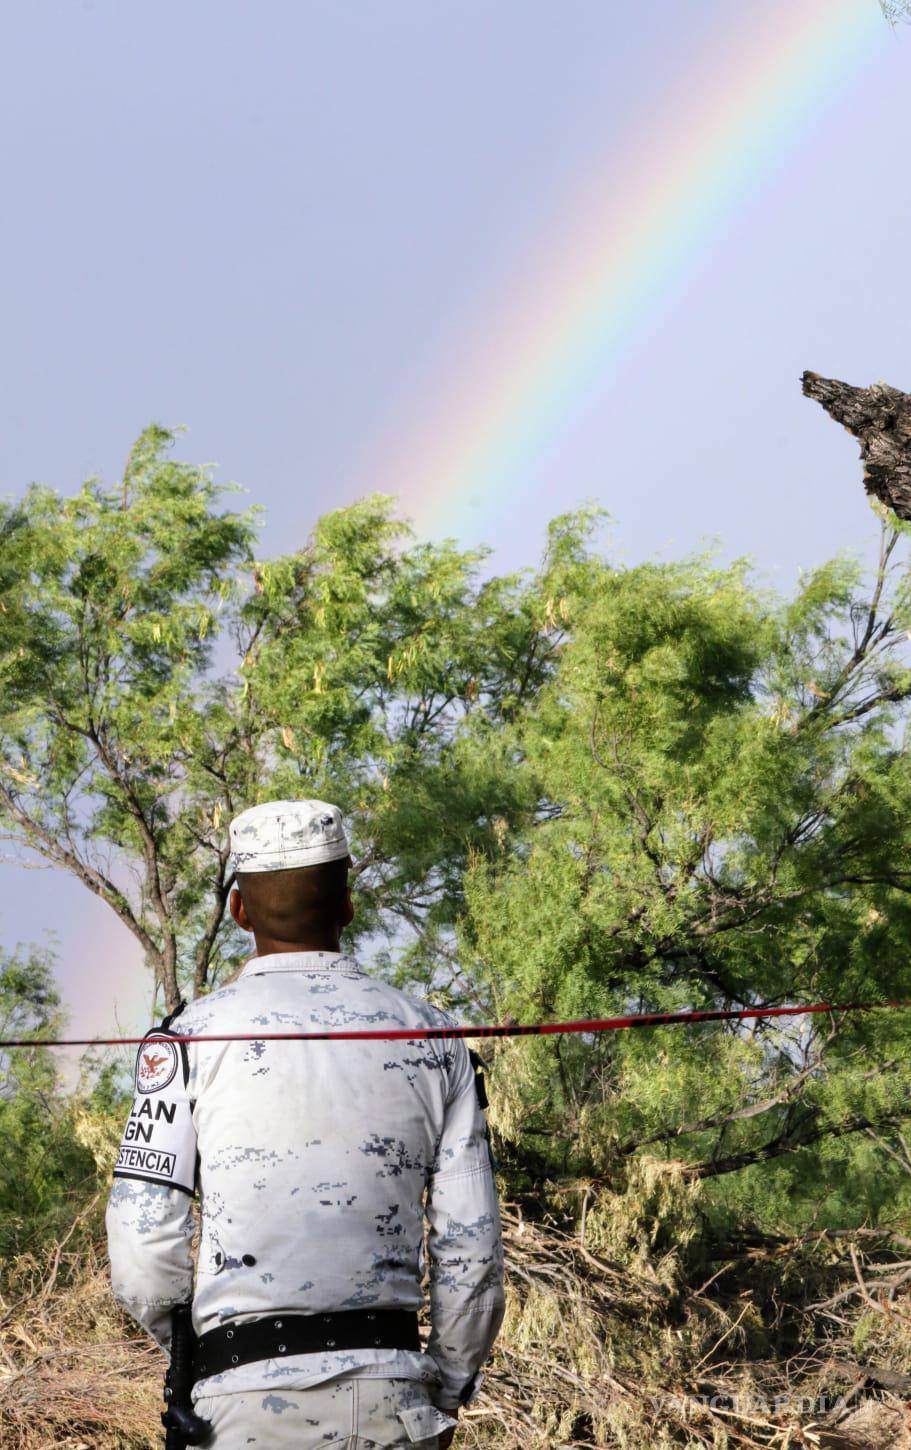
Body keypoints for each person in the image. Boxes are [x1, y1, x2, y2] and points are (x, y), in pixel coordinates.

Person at [105, 798, 505, 1448]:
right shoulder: (435, 1037)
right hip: (395, 1402)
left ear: (237, 910)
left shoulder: (185, 1039)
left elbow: (141, 1250)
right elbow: (473, 1251)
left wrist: (196, 1355)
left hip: (239, 1408)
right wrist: (448, 1389)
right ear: (347, 903)